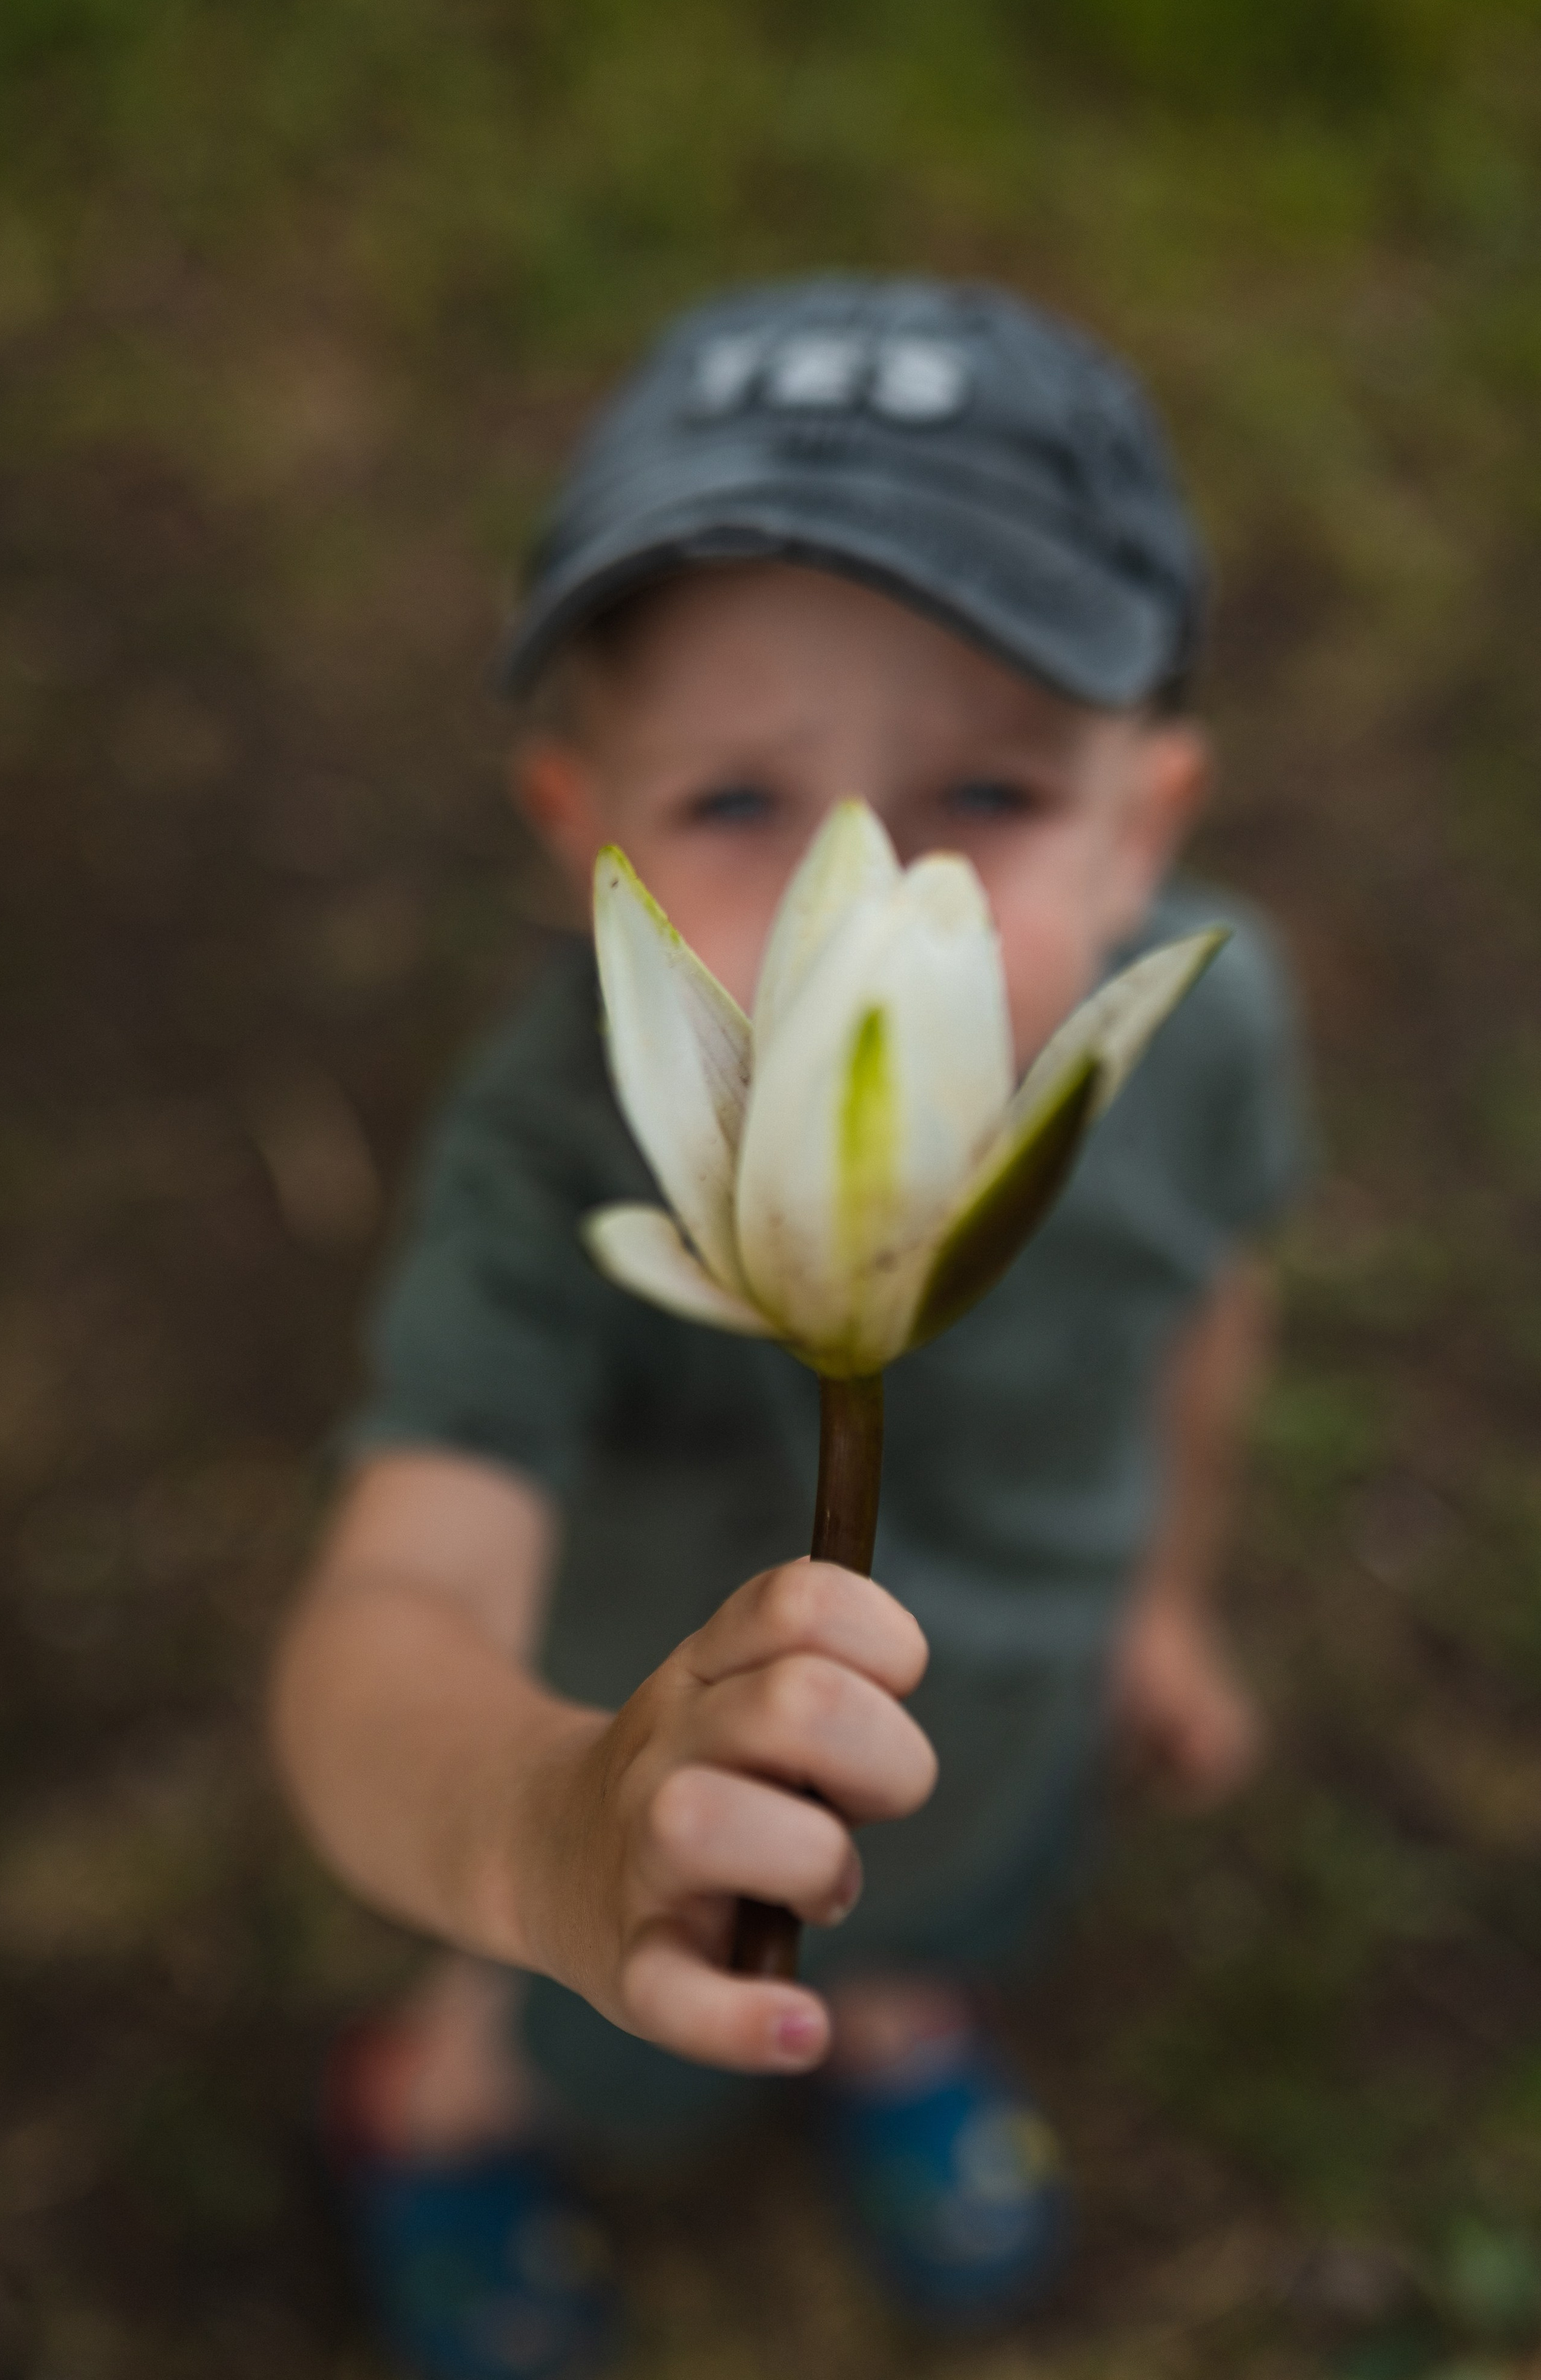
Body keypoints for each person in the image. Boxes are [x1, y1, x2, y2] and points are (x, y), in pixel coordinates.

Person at [272, 276, 1308, 2379]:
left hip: (1005, 1712)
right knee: (592, 1995)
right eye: (743, 802)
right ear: (583, 847)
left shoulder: (1198, 1042)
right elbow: (385, 1608)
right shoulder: (561, 1145)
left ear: (1150, 832)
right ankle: (443, 2109)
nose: (871, 874)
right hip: (633, 1795)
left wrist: (1167, 1603)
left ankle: (900, 2006)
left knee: (925, 1888)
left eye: (996, 793)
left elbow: (1209, 1306)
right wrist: (547, 1832)